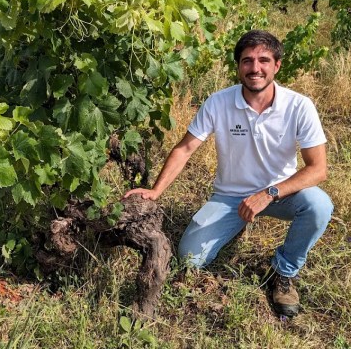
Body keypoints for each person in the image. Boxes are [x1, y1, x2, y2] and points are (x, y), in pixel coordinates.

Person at [124, 30, 333, 317]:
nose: (255, 68)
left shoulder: (299, 105)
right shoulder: (219, 102)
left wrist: (268, 194)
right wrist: (156, 190)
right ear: (238, 66)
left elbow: (318, 169)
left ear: (277, 65)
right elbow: (185, 148)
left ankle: (283, 272)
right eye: (247, 61)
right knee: (190, 259)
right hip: (230, 196)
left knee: (319, 205)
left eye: (263, 60)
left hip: (280, 194)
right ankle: (235, 223)